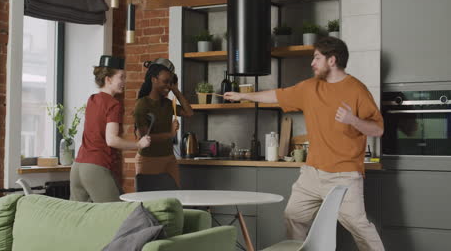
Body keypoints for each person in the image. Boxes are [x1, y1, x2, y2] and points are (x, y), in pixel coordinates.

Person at [224, 37, 385, 251]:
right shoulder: (309, 88)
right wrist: (242, 96)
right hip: (312, 173)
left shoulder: (357, 90)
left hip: (344, 174)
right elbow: (275, 95)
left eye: (317, 58)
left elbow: (378, 129)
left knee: (358, 225)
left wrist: (352, 120)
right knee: (294, 216)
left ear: (332, 60)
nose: (312, 63)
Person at [71, 55, 151, 203]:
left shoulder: (92, 99)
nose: (124, 82)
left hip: (78, 167)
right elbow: (111, 140)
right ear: (108, 79)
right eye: (121, 77)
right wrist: (139, 144)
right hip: (95, 167)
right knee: (117, 214)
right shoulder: (113, 104)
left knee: (79, 219)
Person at [134, 58, 193, 187]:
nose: (168, 86)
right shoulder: (142, 104)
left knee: (174, 198)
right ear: (154, 79)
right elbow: (142, 138)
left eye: (171, 83)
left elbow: (189, 113)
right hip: (148, 160)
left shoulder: (167, 104)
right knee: (149, 201)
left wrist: (176, 90)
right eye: (166, 82)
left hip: (169, 159)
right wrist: (170, 134)